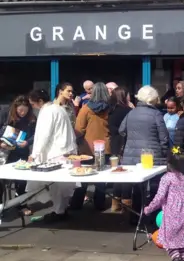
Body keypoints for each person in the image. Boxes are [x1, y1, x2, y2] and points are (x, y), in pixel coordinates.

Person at [27, 86, 78, 223]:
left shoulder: (48, 111)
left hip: (57, 151)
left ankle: (59, 212)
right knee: (62, 185)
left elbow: (44, 135)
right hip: (66, 150)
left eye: (33, 104)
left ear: (39, 101)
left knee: (57, 186)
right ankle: (61, 209)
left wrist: (35, 154)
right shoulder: (58, 109)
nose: (33, 107)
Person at [119, 86, 169, 223]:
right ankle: (153, 216)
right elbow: (164, 137)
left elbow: (121, 130)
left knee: (137, 186)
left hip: (132, 156)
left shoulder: (131, 113)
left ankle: (135, 217)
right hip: (153, 156)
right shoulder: (156, 114)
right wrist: (165, 153)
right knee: (155, 186)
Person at [144, 147, 184, 261]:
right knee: (182, 242)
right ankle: (183, 259)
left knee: (168, 241)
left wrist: (148, 209)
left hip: (170, 214)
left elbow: (159, 197)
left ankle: (176, 258)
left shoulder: (167, 178)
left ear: (169, 163)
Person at [70, 83, 111, 211]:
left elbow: (79, 129)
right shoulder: (111, 108)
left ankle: (76, 204)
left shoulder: (86, 108)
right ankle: (99, 204)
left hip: (88, 148)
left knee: (83, 177)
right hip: (105, 147)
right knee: (101, 178)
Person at [0, 95, 36, 216]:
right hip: (4, 151)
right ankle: (1, 206)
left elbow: (35, 134)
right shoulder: (5, 113)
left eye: (25, 111)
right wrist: (1, 143)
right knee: (1, 179)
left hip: (20, 151)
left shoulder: (31, 119)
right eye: (20, 110)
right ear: (15, 108)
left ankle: (21, 203)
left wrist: (27, 142)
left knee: (21, 180)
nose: (22, 113)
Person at [108, 87, 133, 212]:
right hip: (126, 143)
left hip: (114, 144)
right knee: (126, 173)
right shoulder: (128, 111)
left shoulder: (111, 111)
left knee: (116, 173)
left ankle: (115, 203)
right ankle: (126, 203)